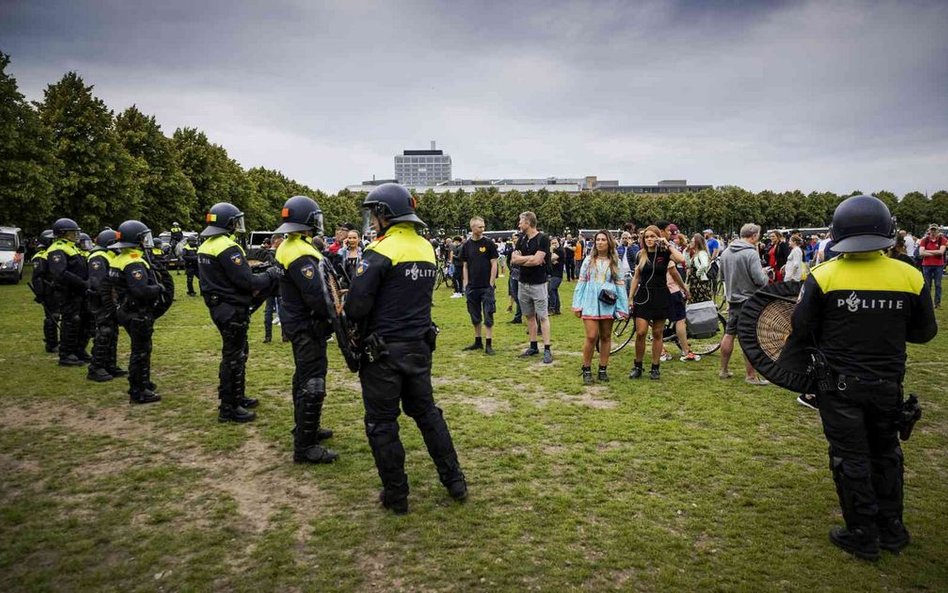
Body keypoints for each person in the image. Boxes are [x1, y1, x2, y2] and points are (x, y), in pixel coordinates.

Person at [790, 194, 936, 560]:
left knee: (849, 456)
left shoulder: (824, 275)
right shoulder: (909, 275)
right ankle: (892, 529)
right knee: (886, 453)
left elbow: (801, 326)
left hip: (839, 386)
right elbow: (924, 333)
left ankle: (862, 533)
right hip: (888, 384)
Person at [344, 183, 467, 514]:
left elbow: (356, 306)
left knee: (382, 424)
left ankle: (396, 496)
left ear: (385, 214)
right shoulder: (426, 248)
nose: (372, 221)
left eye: (374, 214)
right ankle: (455, 480)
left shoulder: (381, 250)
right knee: (428, 414)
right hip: (418, 346)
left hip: (383, 352)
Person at [198, 202, 280, 423]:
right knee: (233, 358)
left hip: (219, 306)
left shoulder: (206, 245)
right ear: (229, 223)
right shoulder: (227, 246)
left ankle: (237, 396)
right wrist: (272, 274)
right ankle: (229, 407)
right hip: (231, 309)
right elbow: (247, 281)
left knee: (239, 353)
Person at [273, 195, 339, 464]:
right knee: (313, 381)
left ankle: (305, 426)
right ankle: (305, 445)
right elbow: (316, 295)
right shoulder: (300, 253)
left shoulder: (290, 246)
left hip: (298, 324)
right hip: (307, 325)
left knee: (302, 376)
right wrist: (336, 314)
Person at [109, 220, 163, 404]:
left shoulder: (118, 259)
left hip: (125, 310)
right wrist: (158, 288)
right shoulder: (133, 262)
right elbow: (140, 290)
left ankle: (143, 382)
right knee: (140, 351)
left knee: (142, 349)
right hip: (137, 312)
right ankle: (138, 390)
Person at [572, 230, 629, 384]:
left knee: (605, 336)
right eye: (598, 239)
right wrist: (577, 304)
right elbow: (581, 282)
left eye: (603, 239)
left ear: (609, 242)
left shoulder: (614, 261)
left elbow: (620, 284)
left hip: (607, 302)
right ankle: (586, 368)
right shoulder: (588, 260)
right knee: (591, 336)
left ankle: (603, 368)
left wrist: (622, 307)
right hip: (590, 301)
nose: (600, 242)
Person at [717, 223, 769, 385]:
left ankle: (723, 370)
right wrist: (765, 275)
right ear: (753, 236)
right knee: (750, 338)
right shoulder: (750, 253)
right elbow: (759, 280)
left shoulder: (726, 252)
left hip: (733, 300)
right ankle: (751, 376)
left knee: (729, 333)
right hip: (749, 301)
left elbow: (722, 277)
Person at [627, 226, 676, 380]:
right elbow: (636, 277)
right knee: (641, 332)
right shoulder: (640, 254)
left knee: (657, 333)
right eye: (646, 237)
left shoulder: (665, 253)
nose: (649, 239)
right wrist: (630, 297)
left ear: (658, 237)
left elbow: (681, 259)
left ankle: (655, 367)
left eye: (652, 236)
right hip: (643, 295)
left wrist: (667, 244)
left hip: (661, 294)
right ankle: (638, 365)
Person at [46, 218, 90, 367]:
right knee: (70, 322)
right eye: (73, 232)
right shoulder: (56, 249)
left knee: (81, 322)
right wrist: (82, 282)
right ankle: (66, 353)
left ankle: (78, 350)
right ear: (63, 233)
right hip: (67, 292)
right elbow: (60, 272)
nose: (76, 235)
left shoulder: (72, 246)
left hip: (79, 291)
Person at [510, 211, 553, 364]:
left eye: (520, 221)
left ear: (528, 222)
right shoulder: (521, 240)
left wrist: (524, 260)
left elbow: (537, 261)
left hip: (538, 284)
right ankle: (533, 346)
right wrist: (530, 258)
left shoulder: (543, 239)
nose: (518, 224)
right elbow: (514, 259)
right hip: (523, 283)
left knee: (543, 316)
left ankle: (547, 349)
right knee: (529, 316)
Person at [86, 229, 126, 382]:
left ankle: (110, 364)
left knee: (112, 332)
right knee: (104, 332)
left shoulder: (109, 256)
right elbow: (98, 283)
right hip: (100, 300)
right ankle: (96, 367)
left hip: (110, 300)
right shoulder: (98, 257)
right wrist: (108, 301)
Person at [459, 216, 499, 355]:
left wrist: (491, 283)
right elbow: (465, 266)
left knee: (488, 314)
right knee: (474, 315)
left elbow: (494, 263)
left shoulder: (488, 243)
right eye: (480, 227)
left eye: (483, 226)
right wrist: (466, 284)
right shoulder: (466, 246)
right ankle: (477, 342)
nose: (483, 229)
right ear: (472, 228)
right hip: (472, 287)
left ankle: (488, 344)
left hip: (486, 287)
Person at [30, 229, 60, 353]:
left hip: (57, 290)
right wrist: (40, 294)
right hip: (48, 291)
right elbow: (37, 278)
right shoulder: (40, 256)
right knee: (51, 317)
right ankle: (51, 343)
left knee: (58, 316)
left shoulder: (53, 254)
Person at [917, 223, 946, 308]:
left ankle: (937, 303)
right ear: (929, 230)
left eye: (934, 230)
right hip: (927, 265)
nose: (933, 232)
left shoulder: (942, 239)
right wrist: (936, 252)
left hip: (938, 265)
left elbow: (941, 252)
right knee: (927, 285)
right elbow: (921, 253)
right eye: (931, 230)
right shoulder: (924, 240)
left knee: (938, 284)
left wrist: (927, 251)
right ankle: (928, 303)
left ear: (937, 231)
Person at [547, 237, 566, 315]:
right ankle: (557, 309)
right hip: (552, 273)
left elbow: (551, 259)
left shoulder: (560, 250)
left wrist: (551, 251)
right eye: (552, 243)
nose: (554, 245)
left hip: (557, 274)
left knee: (551, 289)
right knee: (554, 290)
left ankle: (552, 308)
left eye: (555, 243)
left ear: (559, 243)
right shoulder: (555, 251)